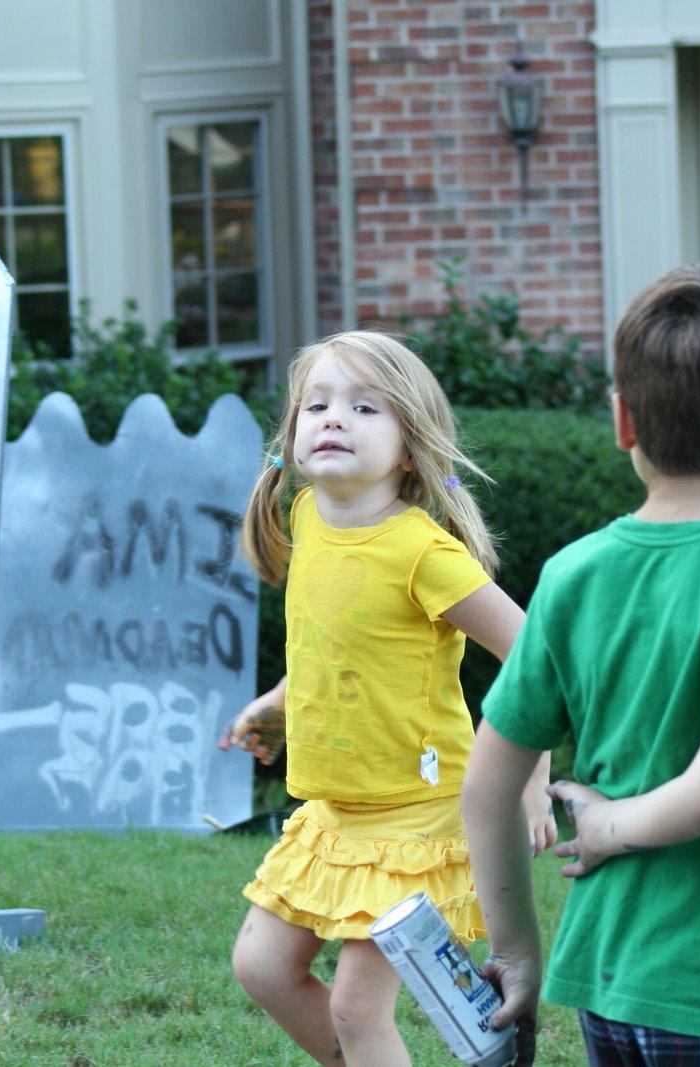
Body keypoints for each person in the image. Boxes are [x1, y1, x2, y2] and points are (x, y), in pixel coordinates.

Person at [463, 263, 700, 1064]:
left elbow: (489, 784)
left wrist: (522, 953)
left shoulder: (574, 573)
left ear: (622, 421)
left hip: (609, 974)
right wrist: (608, 825)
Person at [218, 330, 555, 1066]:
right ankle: (443, 1044)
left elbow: (537, 657)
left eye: (364, 407)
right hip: (338, 809)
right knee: (263, 967)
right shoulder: (307, 519)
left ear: (409, 447)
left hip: (420, 815)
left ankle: (464, 1034)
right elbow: (329, 643)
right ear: (292, 435)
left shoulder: (422, 552)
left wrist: (532, 776)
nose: (334, 418)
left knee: (355, 1005)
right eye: (318, 404)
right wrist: (278, 700)